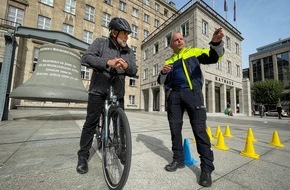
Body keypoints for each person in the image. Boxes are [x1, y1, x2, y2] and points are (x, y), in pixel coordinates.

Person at [157, 29, 224, 187]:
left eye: (181, 38)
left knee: (200, 131)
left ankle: (206, 169)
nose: (179, 41)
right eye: (176, 40)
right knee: (175, 130)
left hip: (192, 95)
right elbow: (161, 81)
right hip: (174, 97)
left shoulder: (193, 52)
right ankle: (178, 160)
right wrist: (162, 72)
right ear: (171, 44)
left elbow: (213, 57)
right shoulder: (168, 61)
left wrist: (215, 43)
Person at [76, 17, 137, 174]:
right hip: (98, 89)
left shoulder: (128, 51)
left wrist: (127, 65)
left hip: (117, 91)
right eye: (124, 34)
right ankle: (83, 156)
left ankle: (121, 149)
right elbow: (86, 58)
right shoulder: (100, 43)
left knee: (121, 123)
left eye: (127, 35)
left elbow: (134, 71)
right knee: (91, 121)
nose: (126, 37)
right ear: (114, 32)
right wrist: (107, 62)